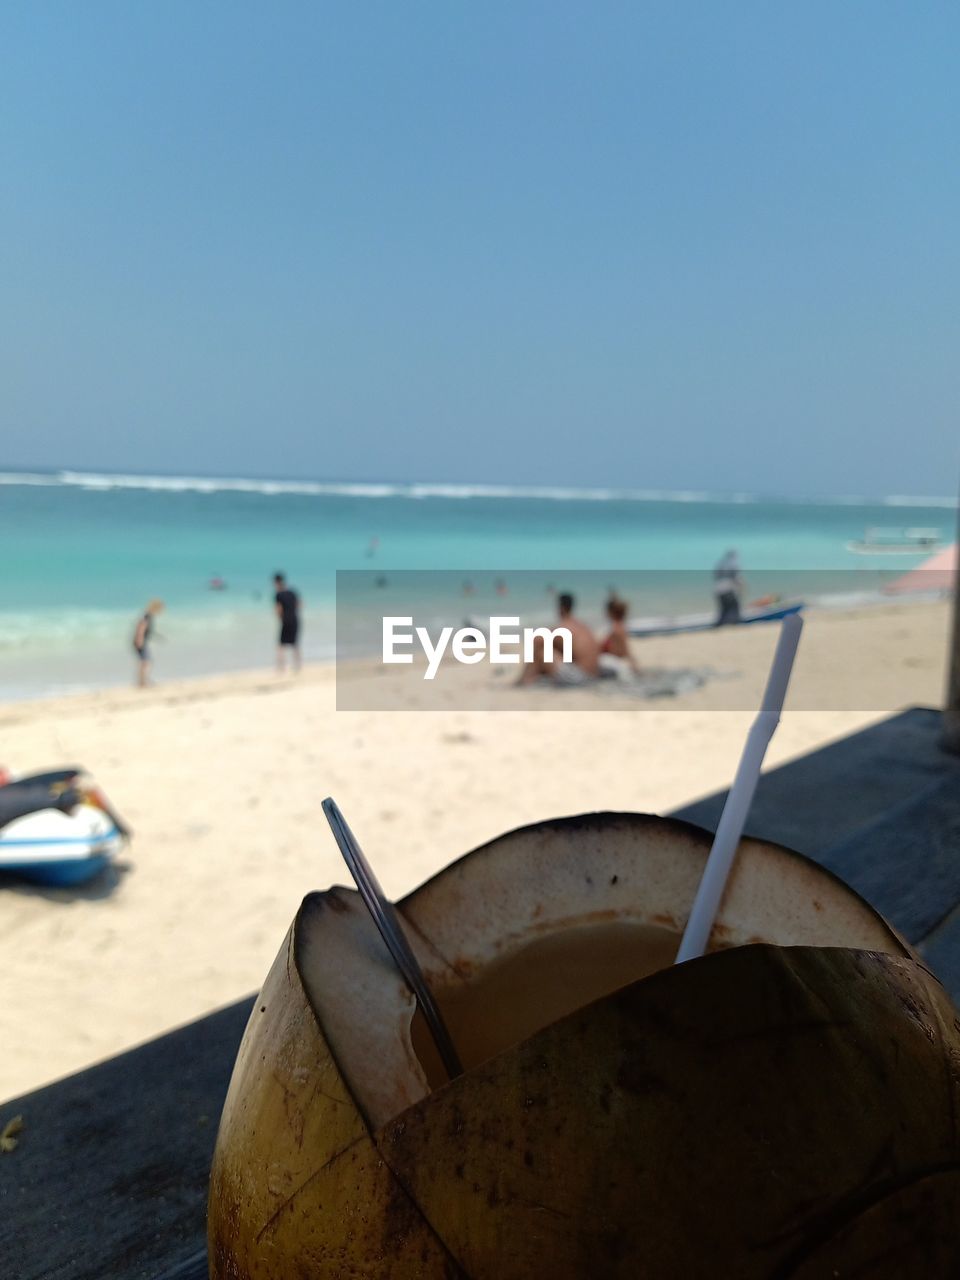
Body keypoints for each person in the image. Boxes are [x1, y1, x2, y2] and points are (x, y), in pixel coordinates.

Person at [517, 592, 601, 685]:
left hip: (580, 678)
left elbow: (536, 639)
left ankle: (523, 682)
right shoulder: (582, 626)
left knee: (541, 652)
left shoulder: (565, 627)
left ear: (561, 608)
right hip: (595, 675)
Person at [599, 596, 641, 674]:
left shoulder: (615, 629)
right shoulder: (620, 627)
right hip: (618, 661)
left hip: (614, 662)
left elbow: (621, 649)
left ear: (610, 612)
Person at [273, 572, 301, 672]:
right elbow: (299, 605)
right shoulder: (292, 592)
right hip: (295, 620)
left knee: (281, 646)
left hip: (285, 621)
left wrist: (281, 617)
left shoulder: (278, 595)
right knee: (295, 644)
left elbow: (278, 610)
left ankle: (281, 668)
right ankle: (297, 666)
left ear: (276, 582)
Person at [132, 599, 164, 688]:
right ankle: (142, 681)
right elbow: (141, 627)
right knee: (146, 662)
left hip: (140, 640)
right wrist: (140, 639)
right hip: (140, 641)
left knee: (144, 662)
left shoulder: (147, 615)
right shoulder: (147, 616)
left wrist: (158, 637)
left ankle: (142, 681)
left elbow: (145, 629)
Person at [713, 550, 744, 626]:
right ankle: (734, 623)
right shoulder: (733, 564)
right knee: (735, 607)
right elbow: (735, 577)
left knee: (723, 609)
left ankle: (720, 624)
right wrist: (741, 585)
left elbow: (716, 576)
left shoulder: (721, 564)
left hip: (718, 590)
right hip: (728, 590)